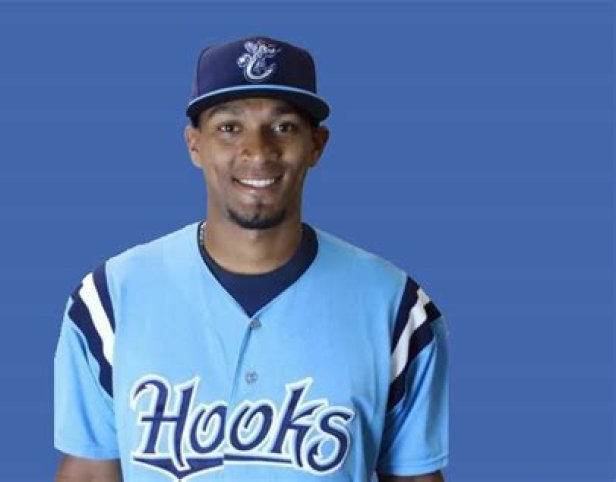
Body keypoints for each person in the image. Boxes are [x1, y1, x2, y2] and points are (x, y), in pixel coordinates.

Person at [54, 36, 449, 482]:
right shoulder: (109, 299)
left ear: (317, 145)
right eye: (229, 127)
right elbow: (89, 472)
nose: (258, 151)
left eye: (284, 127)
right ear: (194, 144)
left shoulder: (395, 307)